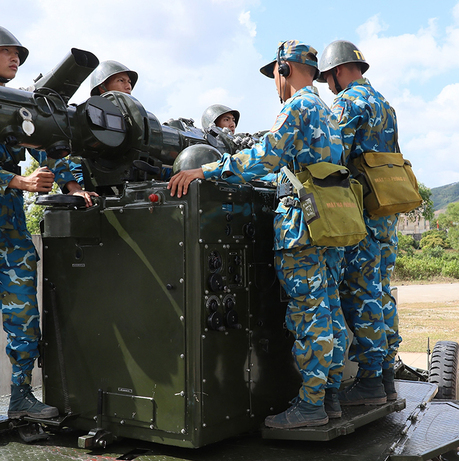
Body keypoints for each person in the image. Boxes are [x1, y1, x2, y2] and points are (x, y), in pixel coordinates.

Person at [169, 40, 346, 429]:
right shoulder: (327, 111)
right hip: (329, 223)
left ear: (284, 70)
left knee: (308, 314)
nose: (275, 83)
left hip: (302, 226)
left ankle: (311, 407)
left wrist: (207, 171)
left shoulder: (297, 105)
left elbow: (266, 155)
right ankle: (329, 397)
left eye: (275, 75)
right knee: (328, 308)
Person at [0, 24, 97, 427]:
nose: (15, 59)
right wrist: (20, 181)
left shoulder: (24, 106)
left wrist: (74, 187)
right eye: (7, 52)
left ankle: (22, 396)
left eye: (19, 55)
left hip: (9, 227)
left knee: (25, 315)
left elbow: (57, 147)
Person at [317, 40, 401, 405]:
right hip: (384, 210)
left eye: (328, 78)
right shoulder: (385, 104)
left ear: (337, 71)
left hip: (360, 213)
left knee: (360, 291)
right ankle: (384, 376)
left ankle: (369, 381)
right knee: (381, 291)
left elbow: (334, 152)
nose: (328, 86)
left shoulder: (348, 103)